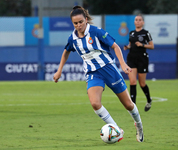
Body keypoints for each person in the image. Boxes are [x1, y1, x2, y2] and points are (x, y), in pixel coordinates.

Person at [53, 6, 144, 142]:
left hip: (109, 69)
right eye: (75, 23)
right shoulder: (72, 38)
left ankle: (139, 126)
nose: (78, 25)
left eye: (81, 22)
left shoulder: (95, 31)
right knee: (95, 103)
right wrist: (59, 70)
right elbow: (66, 51)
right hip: (92, 73)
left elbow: (115, 46)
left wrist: (123, 64)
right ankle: (116, 129)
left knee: (128, 105)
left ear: (85, 20)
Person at [124, 14, 154, 112]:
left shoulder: (146, 33)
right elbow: (130, 44)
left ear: (143, 22)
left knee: (142, 83)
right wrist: (127, 47)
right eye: (136, 20)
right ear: (134, 22)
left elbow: (152, 46)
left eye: (140, 20)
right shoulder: (131, 33)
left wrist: (142, 45)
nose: (138, 21)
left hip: (142, 59)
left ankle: (149, 100)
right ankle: (133, 106)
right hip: (131, 58)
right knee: (132, 82)